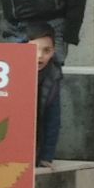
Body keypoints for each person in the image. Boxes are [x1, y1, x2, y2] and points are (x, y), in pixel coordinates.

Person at [27, 22, 63, 168]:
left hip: (36, 145)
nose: (40, 56)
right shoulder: (8, 70)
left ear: (54, 51)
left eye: (46, 50)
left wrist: (47, 156)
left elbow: (53, 120)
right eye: (33, 49)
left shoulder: (53, 76)